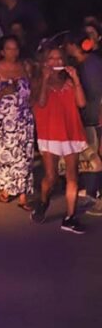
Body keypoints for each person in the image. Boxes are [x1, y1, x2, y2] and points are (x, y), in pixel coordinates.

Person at [31, 47, 88, 233]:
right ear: (45, 62)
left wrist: (77, 79)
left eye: (59, 58)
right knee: (51, 176)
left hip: (71, 132)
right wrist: (46, 79)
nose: (56, 62)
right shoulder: (40, 82)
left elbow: (81, 104)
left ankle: (70, 217)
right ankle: (43, 200)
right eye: (51, 58)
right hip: (50, 134)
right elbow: (40, 103)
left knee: (72, 176)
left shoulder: (70, 82)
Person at [0, 36, 34, 209]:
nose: (13, 52)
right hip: (2, 121)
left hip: (23, 118)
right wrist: (4, 92)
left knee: (23, 155)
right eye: (9, 49)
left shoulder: (25, 67)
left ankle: (23, 194)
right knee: (5, 154)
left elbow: (31, 90)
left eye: (15, 48)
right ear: (2, 51)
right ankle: (7, 188)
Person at [64, 32, 102, 214]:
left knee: (93, 156)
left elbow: (95, 94)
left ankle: (95, 197)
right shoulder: (91, 61)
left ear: (74, 46)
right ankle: (92, 192)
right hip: (93, 116)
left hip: (94, 117)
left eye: (68, 45)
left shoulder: (89, 66)